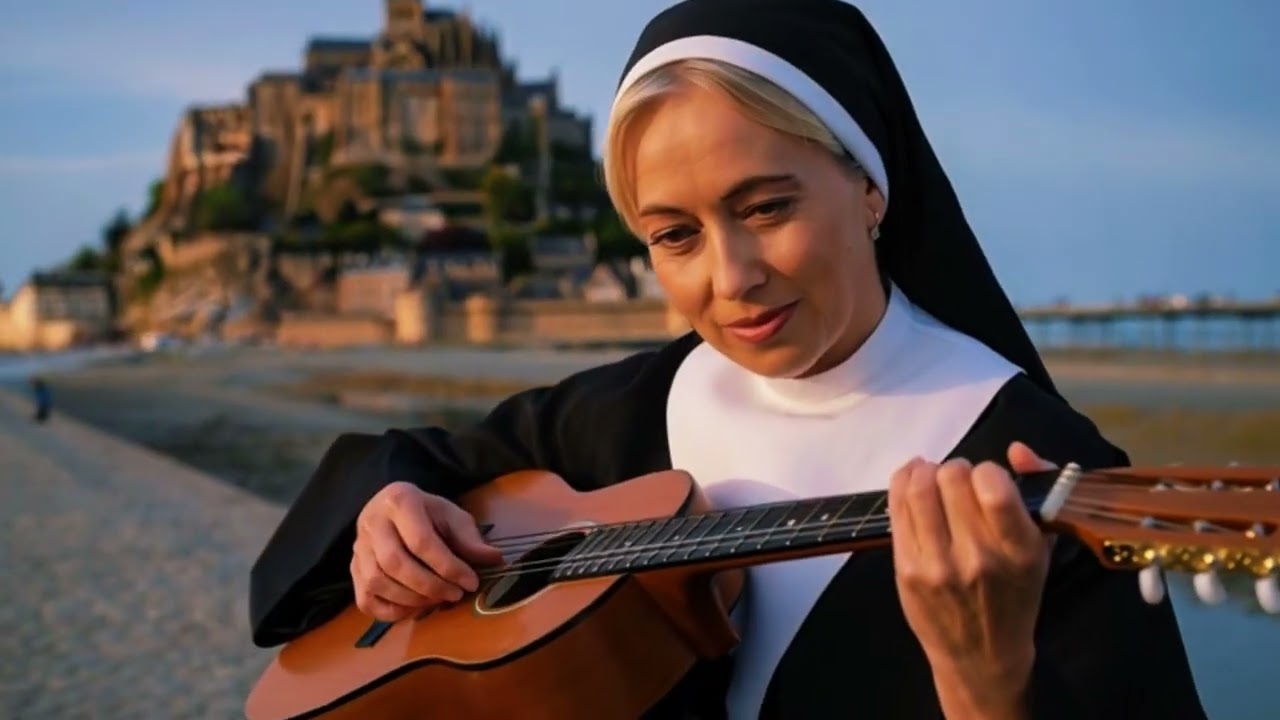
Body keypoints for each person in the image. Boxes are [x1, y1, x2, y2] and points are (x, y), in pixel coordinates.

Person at [248, 1, 1208, 717]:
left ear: (869, 187)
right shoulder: (626, 411)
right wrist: (388, 517)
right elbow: (417, 466)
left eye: (765, 208)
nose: (732, 276)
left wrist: (986, 685)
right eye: (675, 236)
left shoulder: (1042, 466)